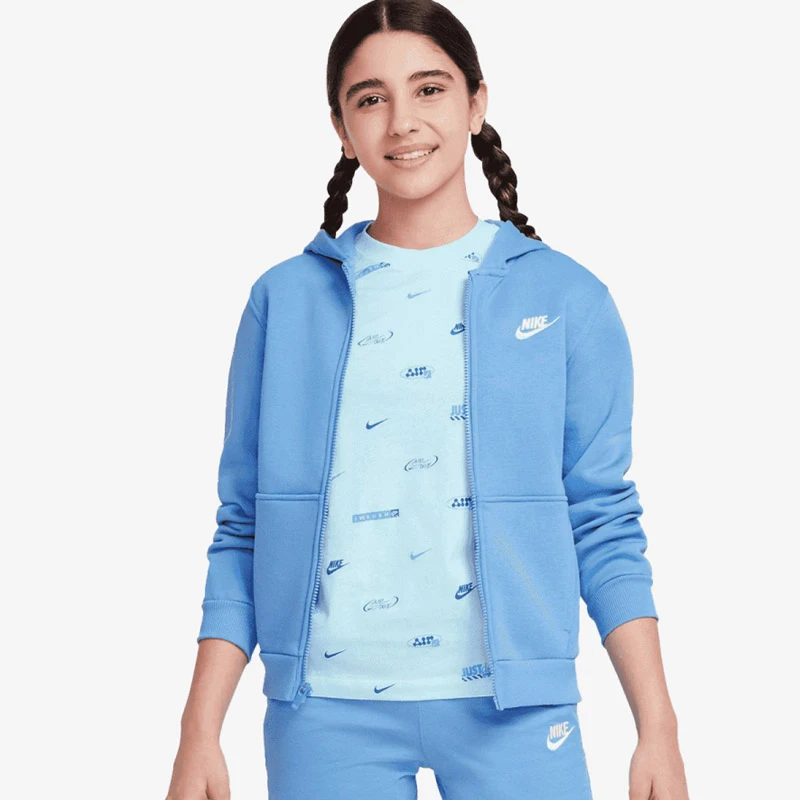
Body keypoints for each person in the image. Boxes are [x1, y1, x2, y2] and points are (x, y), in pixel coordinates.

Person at [167, 1, 689, 798]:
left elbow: (602, 518)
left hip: (518, 712)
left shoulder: (566, 298)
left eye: (430, 89)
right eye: (371, 97)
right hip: (323, 713)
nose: (402, 120)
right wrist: (199, 729)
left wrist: (658, 727)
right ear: (342, 128)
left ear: (477, 103)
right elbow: (244, 524)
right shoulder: (285, 302)